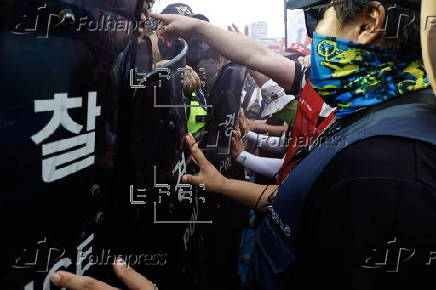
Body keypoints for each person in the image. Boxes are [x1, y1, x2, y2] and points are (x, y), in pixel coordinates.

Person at [53, 0, 436, 289]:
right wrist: (198, 30)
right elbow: (257, 56)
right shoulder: (371, 114)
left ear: (369, 23)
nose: (314, 34)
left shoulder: (391, 169)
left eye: (318, 17)